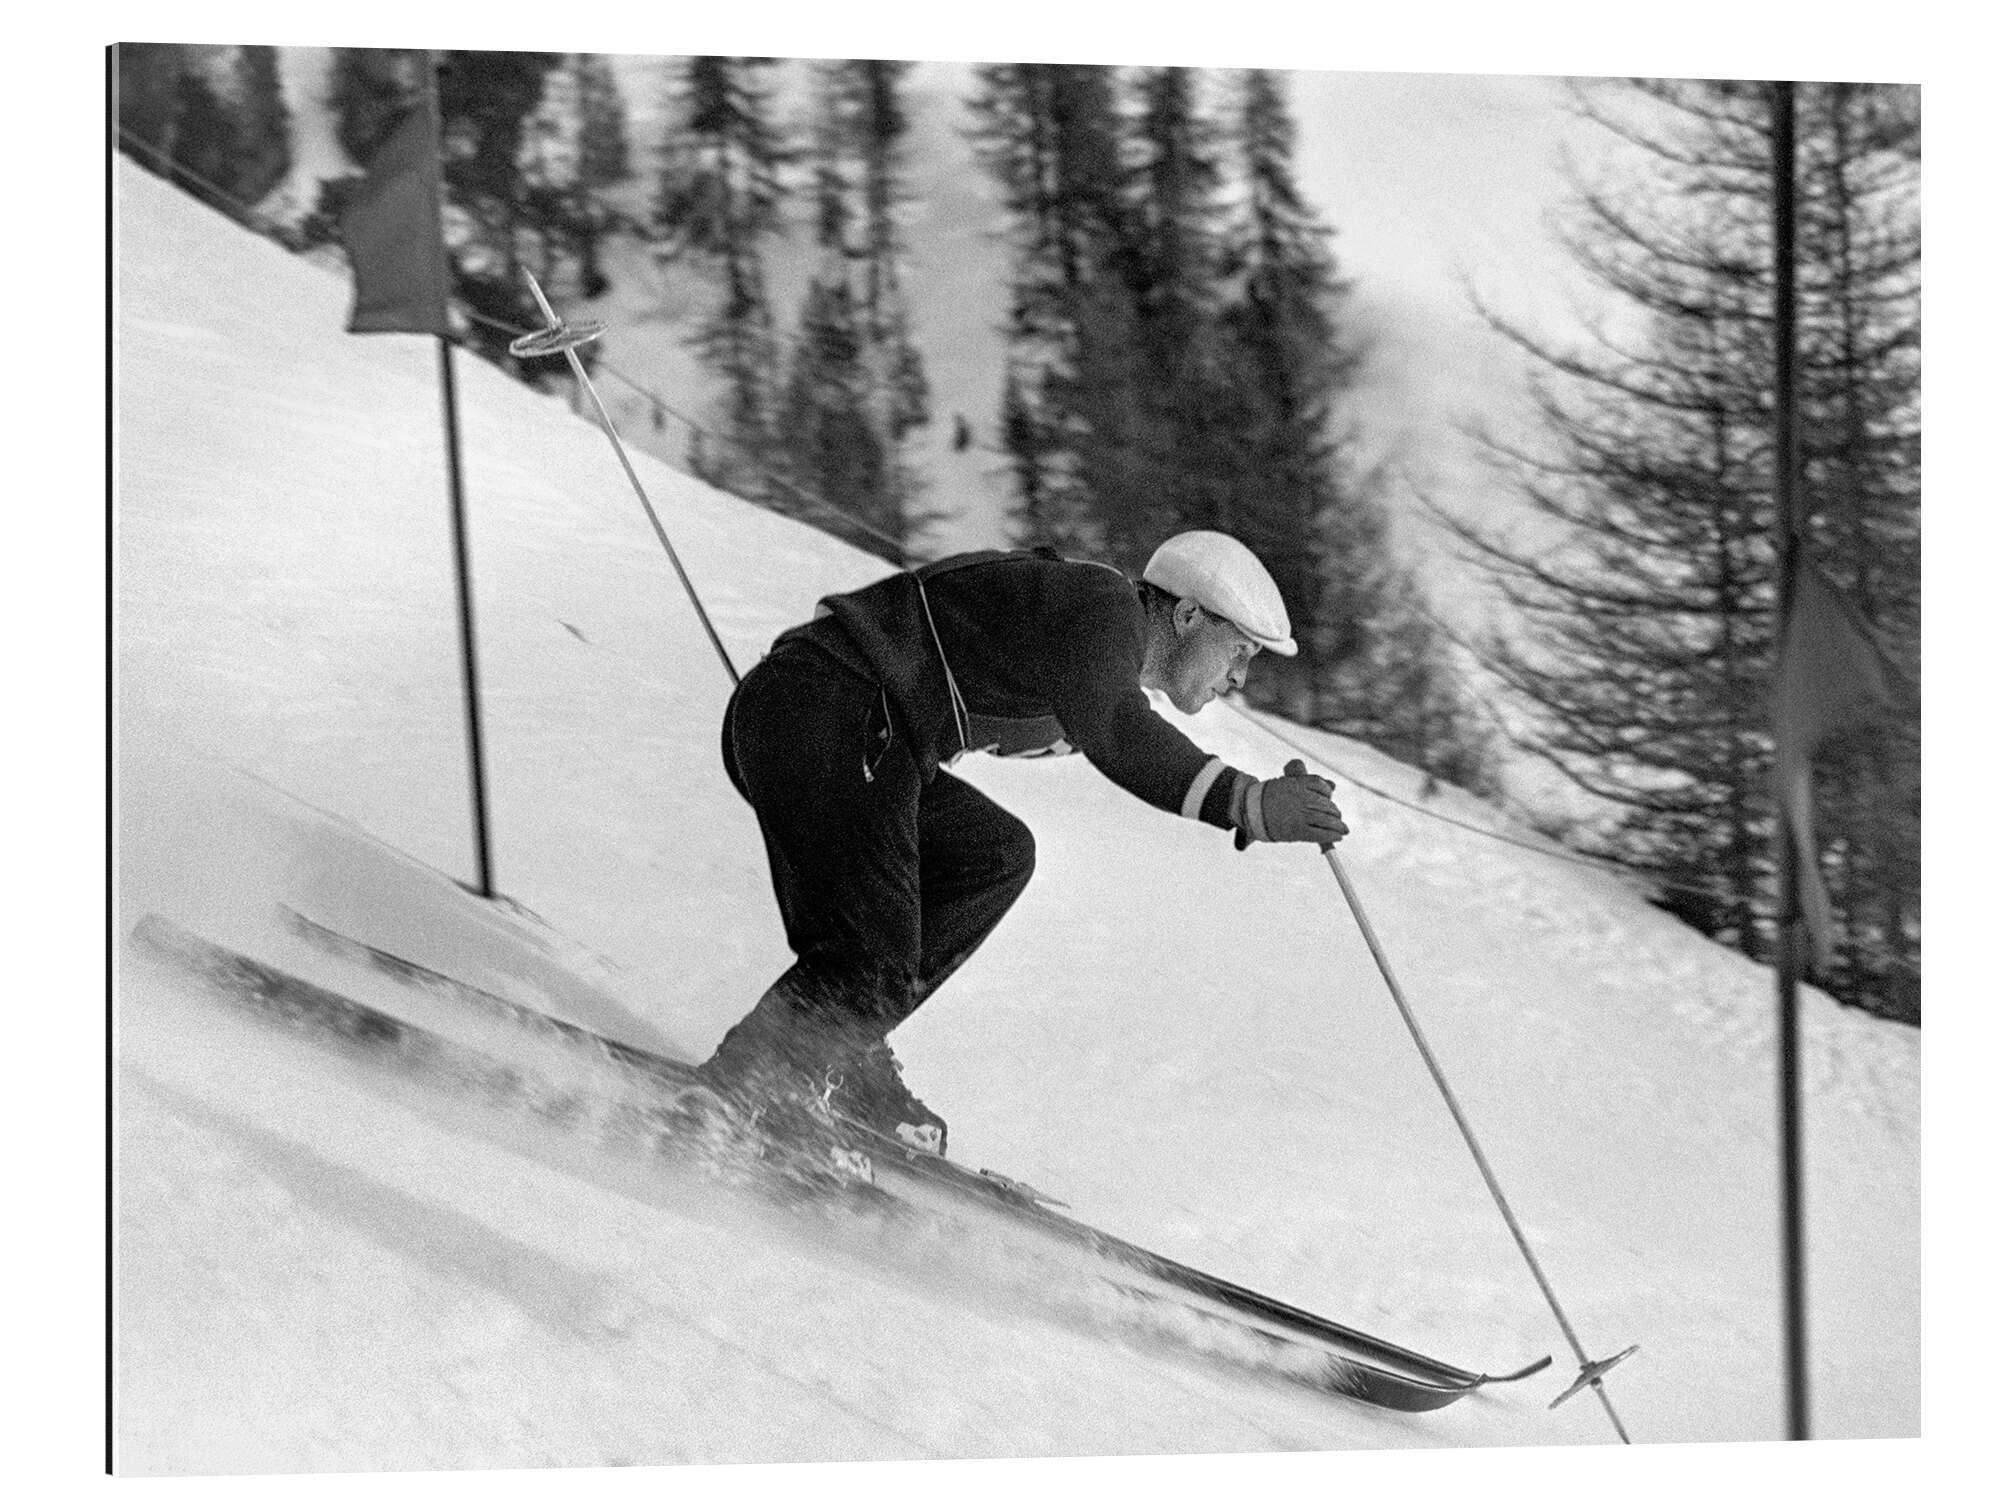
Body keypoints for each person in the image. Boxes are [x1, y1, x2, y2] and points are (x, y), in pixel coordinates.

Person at [702, 531, 1349, 1153]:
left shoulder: (1100, 653)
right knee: (872, 954)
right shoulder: (1104, 609)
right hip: (823, 710)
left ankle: (839, 1055)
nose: (1239, 679)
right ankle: (737, 1099)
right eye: (1239, 652)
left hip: (840, 729)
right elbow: (1120, 730)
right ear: (1187, 615)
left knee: (993, 856)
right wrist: (1247, 803)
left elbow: (1111, 715)